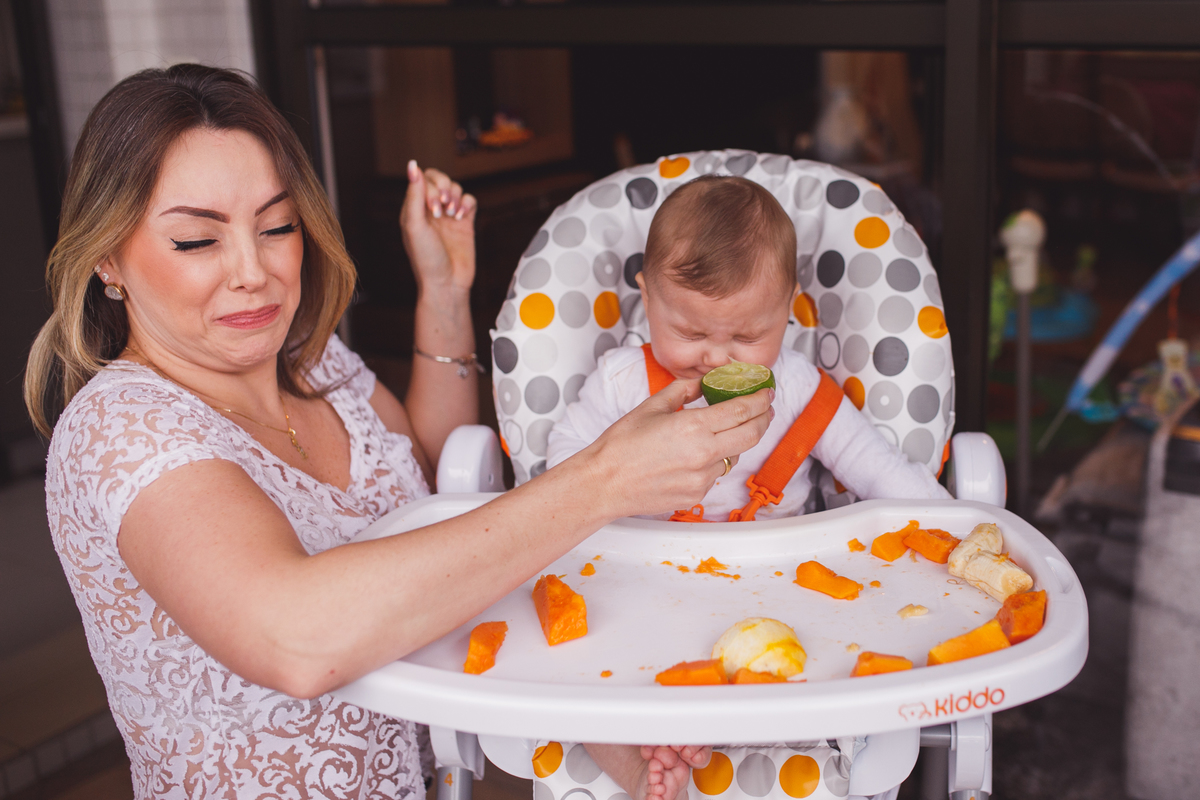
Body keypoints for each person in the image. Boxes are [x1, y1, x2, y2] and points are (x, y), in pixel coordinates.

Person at [25, 65, 773, 800]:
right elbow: (295, 638)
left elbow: (428, 474)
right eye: (197, 240)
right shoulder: (116, 430)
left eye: (277, 226)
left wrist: (443, 290)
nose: (254, 270)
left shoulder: (310, 360)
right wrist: (603, 482)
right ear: (106, 257)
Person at [547, 175, 950, 800]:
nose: (717, 358)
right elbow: (565, 464)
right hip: (645, 580)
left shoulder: (798, 389)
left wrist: (949, 525)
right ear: (647, 297)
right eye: (690, 333)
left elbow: (874, 467)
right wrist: (616, 486)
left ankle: (752, 733)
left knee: (831, 646)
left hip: (778, 587)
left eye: (746, 337)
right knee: (580, 662)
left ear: (789, 307)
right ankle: (634, 757)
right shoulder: (625, 383)